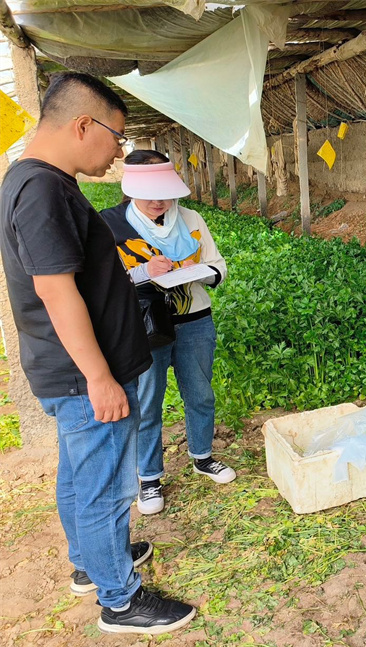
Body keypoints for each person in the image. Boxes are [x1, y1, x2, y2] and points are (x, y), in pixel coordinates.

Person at [0, 72, 195, 633]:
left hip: (73, 372)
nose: (119, 153)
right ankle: (120, 600)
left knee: (81, 475)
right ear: (83, 124)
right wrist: (99, 377)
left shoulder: (36, 181)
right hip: (84, 375)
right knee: (106, 487)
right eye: (117, 136)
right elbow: (55, 289)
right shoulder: (41, 188)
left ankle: (92, 563)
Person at [101, 150, 234, 516]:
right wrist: (144, 272)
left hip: (194, 319)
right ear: (130, 190)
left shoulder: (191, 219)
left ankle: (202, 456)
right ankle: (149, 478)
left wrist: (199, 271)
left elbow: (218, 266)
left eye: (166, 192)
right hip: (145, 325)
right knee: (147, 402)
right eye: (150, 194)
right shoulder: (112, 226)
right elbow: (104, 285)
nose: (159, 202)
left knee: (200, 392)